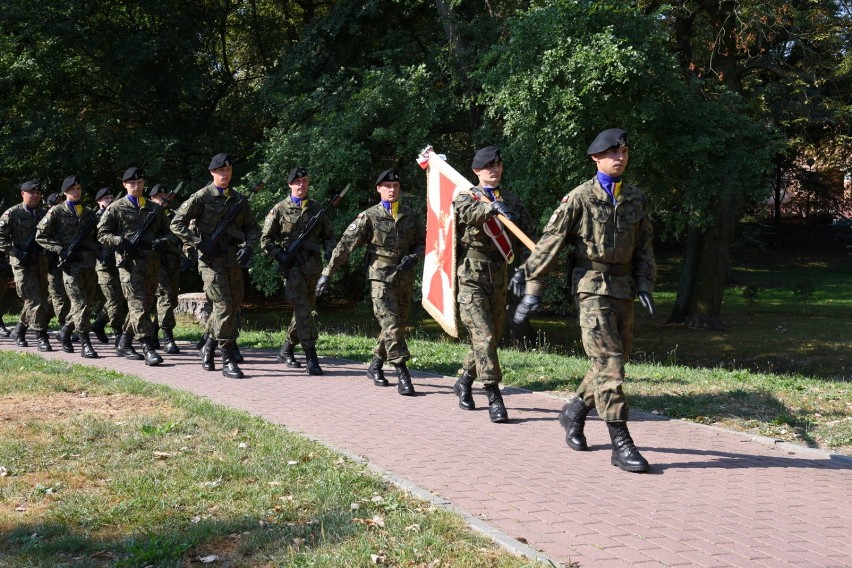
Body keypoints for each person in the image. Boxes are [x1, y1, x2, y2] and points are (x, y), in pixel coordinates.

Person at [513, 128, 657, 473]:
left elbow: (644, 246)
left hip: (622, 287)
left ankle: (574, 411)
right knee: (611, 364)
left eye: (623, 152)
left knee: (611, 361)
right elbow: (550, 241)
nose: (619, 158)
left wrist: (645, 283)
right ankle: (620, 443)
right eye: (611, 153)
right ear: (596, 158)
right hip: (591, 287)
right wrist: (530, 279)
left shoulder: (636, 198)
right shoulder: (579, 197)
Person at [316, 169, 425, 395]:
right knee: (392, 325)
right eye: (387, 186)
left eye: (395, 186)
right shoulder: (369, 217)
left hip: (404, 277)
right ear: (379, 189)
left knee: (396, 325)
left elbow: (423, 243)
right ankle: (402, 372)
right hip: (380, 277)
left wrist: (414, 257)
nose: (392, 190)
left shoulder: (410, 215)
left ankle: (375, 364)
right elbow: (345, 246)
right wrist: (328, 272)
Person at [452, 146, 536, 422]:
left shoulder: (512, 199)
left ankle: (465, 379)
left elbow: (526, 237)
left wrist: (523, 271)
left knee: (491, 338)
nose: (494, 170)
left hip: (501, 275)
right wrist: (491, 207)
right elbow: (468, 214)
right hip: (472, 277)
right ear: (476, 171)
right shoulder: (465, 197)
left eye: (498, 165)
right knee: (484, 337)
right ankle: (494, 397)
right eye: (488, 167)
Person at [171, 153, 258, 379]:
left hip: (232, 260)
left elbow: (251, 227)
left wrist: (248, 246)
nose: (225, 174)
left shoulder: (238, 199)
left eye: (228, 170)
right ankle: (227, 357)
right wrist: (200, 243)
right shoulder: (201, 197)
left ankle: (208, 344)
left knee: (234, 305)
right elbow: (176, 224)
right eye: (221, 171)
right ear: (212, 173)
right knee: (224, 306)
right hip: (210, 261)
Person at [260, 167, 335, 375]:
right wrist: (279, 255)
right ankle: (311, 356)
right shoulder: (279, 209)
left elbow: (328, 236)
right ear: (290, 185)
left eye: (304, 181)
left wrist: (330, 252)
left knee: (305, 311)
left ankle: (286, 348)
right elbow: (265, 240)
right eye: (297, 182)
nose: (301, 185)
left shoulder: (317, 209)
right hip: (293, 269)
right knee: (303, 311)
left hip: (313, 268)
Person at [98, 167, 173, 366]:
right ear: (124, 185)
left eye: (139, 183)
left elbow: (169, 232)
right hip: (128, 266)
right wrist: (119, 241)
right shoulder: (116, 207)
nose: (136, 186)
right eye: (132, 183)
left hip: (151, 265)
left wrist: (162, 241)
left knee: (143, 307)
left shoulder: (155, 208)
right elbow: (102, 234)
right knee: (138, 305)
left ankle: (124, 341)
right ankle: (148, 347)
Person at [35, 175, 100, 358]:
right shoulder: (56, 212)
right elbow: (40, 235)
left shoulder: (89, 212)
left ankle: (64, 330)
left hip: (88, 263)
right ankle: (85, 343)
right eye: (72, 189)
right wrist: (60, 250)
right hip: (70, 266)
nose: (76, 192)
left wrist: (98, 250)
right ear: (65, 192)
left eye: (78, 188)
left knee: (87, 302)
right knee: (79, 302)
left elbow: (96, 238)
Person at [0, 180, 53, 351]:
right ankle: (41, 336)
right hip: (22, 264)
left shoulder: (45, 214)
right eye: (32, 193)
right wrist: (15, 252)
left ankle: (19, 330)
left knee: (40, 299)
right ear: (23, 194)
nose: (35, 196)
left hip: (40, 262)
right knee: (34, 300)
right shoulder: (12, 213)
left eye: (38, 193)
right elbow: (1, 238)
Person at [91, 187, 127, 346]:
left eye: (111, 197)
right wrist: (98, 253)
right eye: (106, 198)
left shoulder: (116, 215)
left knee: (120, 298)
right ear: (99, 201)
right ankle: (118, 332)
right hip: (103, 264)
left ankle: (99, 323)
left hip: (119, 261)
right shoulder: (92, 218)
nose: (110, 200)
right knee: (114, 298)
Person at [149, 183, 182, 354]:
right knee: (166, 297)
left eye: (165, 195)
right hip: (155, 263)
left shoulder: (175, 215)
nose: (164, 198)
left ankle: (154, 332)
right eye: (159, 196)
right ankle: (168, 337)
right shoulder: (148, 215)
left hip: (173, 262)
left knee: (170, 300)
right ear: (152, 198)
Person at [43, 192, 72, 337]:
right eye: (57, 203)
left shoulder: (66, 217)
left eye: (62, 202)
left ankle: (39, 322)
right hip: (52, 261)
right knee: (58, 294)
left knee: (54, 296)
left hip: (66, 261)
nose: (61, 205)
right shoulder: (46, 218)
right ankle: (63, 326)